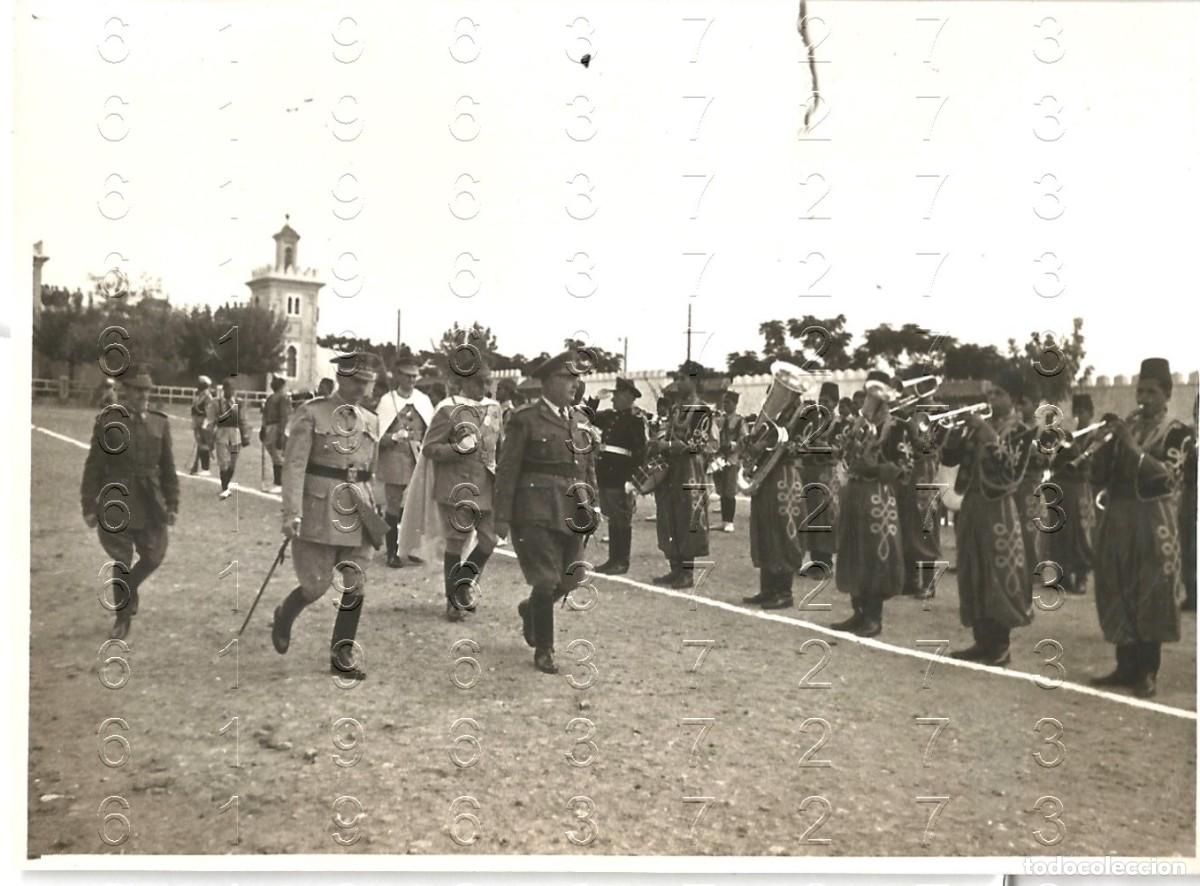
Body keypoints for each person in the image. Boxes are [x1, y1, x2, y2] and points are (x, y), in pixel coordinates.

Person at [270, 351, 387, 681]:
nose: (364, 389)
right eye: (359, 382)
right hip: (319, 510)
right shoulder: (312, 413)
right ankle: (285, 614)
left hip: (358, 510)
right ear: (342, 379)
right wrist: (291, 513)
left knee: (356, 584)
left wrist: (375, 509)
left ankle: (342, 653)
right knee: (316, 586)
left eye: (368, 382)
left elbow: (371, 471)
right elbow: (294, 467)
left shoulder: (372, 420)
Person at [1088, 358, 1193, 698]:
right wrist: (1101, 446)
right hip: (1119, 518)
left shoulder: (1179, 432)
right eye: (1140, 390)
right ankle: (1125, 665)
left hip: (1154, 520)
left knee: (1152, 591)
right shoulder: (1126, 429)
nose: (1143, 398)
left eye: (1151, 391)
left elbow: (1166, 476)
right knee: (1118, 586)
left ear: (1167, 394)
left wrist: (1130, 448)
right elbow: (1100, 475)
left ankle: (1147, 670)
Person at [494, 350, 600, 673]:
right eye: (568, 378)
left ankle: (530, 611)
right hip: (535, 508)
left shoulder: (580, 420)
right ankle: (545, 649)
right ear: (550, 381)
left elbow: (587, 465)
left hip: (572, 507)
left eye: (577, 378)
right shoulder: (525, 418)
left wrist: (593, 504)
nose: (575, 384)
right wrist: (501, 515)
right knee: (544, 579)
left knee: (571, 578)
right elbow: (508, 468)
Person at [940, 368, 1033, 666]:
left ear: (1015, 400)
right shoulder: (980, 426)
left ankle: (1000, 645)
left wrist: (988, 435)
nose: (992, 398)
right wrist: (954, 435)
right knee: (973, 570)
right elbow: (949, 459)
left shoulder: (1021, 432)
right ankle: (982, 641)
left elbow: (1011, 474)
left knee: (998, 573)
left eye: (999, 394)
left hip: (999, 510)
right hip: (971, 505)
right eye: (990, 392)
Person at [398, 358, 502, 621]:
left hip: (487, 485)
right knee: (456, 543)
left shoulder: (494, 408)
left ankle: (463, 584)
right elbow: (430, 448)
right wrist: (457, 449)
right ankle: (452, 600)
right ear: (465, 382)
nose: (485, 388)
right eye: (480, 382)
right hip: (457, 486)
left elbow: (499, 445)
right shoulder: (448, 409)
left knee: (490, 539)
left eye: (488, 382)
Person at [80, 369, 179, 640]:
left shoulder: (160, 423)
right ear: (125, 391)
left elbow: (168, 468)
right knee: (121, 560)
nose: (143, 396)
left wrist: (172, 504)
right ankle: (122, 619)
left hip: (150, 501)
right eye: (138, 391)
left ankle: (130, 587)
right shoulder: (108, 421)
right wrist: (88, 505)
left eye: (147, 391)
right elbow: (94, 466)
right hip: (117, 500)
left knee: (154, 556)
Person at [829, 371, 913, 637]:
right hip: (854, 492)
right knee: (853, 550)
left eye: (873, 395)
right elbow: (842, 453)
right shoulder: (856, 424)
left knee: (876, 554)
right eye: (867, 394)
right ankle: (859, 612)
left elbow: (905, 467)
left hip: (878, 495)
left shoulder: (897, 427)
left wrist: (875, 468)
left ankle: (874, 617)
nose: (869, 400)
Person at [649, 362, 720, 589]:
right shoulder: (677, 408)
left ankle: (687, 573)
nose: (678, 383)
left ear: (695, 381)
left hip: (690, 470)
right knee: (669, 516)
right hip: (672, 469)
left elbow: (695, 444)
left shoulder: (702, 410)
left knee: (687, 517)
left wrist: (665, 444)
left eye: (682, 379)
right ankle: (675, 568)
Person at [743, 392, 811, 610]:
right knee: (765, 529)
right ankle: (768, 589)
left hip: (784, 477)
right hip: (767, 476)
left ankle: (784, 592)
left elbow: (797, 447)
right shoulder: (774, 415)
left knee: (782, 531)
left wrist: (764, 445)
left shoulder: (804, 416)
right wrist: (753, 441)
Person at [375, 356, 434, 568]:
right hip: (394, 457)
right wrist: (392, 437)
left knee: (416, 504)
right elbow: (376, 436)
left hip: (417, 458)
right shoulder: (386, 401)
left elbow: (433, 430)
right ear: (398, 375)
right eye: (407, 376)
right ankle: (392, 551)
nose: (411, 380)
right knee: (393, 505)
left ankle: (411, 549)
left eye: (414, 376)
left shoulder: (423, 400)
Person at [592, 377, 648, 574]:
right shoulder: (610, 416)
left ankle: (621, 561)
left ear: (628, 396)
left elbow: (640, 452)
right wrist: (595, 399)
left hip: (621, 474)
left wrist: (633, 479)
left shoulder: (635, 420)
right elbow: (587, 415)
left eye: (617, 394)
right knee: (613, 518)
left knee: (622, 518)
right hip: (607, 472)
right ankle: (613, 559)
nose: (613, 398)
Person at [895, 374, 943, 598]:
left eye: (920, 386)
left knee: (925, 529)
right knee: (908, 526)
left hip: (926, 477)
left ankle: (928, 583)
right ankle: (911, 580)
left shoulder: (936, 414)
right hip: (908, 477)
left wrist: (913, 427)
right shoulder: (910, 414)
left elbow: (930, 447)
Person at [1044, 393, 1097, 595]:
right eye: (1077, 412)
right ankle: (1063, 576)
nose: (1080, 416)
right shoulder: (1072, 435)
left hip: (1081, 489)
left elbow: (1090, 464)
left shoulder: (1096, 436)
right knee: (1063, 531)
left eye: (1084, 412)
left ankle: (1082, 576)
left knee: (1080, 534)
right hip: (1065, 489)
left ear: (1091, 413)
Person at [799, 381, 842, 577]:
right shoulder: (813, 422)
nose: (822, 404)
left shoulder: (840, 424)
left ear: (835, 402)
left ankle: (825, 563)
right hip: (811, 473)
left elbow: (840, 451)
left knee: (826, 518)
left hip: (828, 475)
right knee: (811, 516)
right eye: (820, 400)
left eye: (827, 401)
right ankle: (815, 560)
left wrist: (820, 445)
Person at [209, 377, 252, 500]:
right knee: (223, 463)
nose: (230, 391)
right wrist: (209, 439)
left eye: (232, 389)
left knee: (232, 464)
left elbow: (243, 420)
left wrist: (245, 435)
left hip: (235, 436)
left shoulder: (239, 402)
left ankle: (226, 485)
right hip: (221, 435)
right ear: (223, 390)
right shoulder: (216, 403)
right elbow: (211, 422)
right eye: (227, 388)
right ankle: (224, 487)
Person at [714, 389, 748, 532]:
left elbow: (745, 439)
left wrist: (734, 446)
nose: (725, 405)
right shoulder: (719, 419)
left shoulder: (740, 420)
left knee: (729, 490)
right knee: (721, 489)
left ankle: (730, 521)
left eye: (728, 402)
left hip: (732, 458)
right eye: (724, 402)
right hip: (719, 457)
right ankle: (724, 520)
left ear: (735, 403)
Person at [260, 376, 291, 493]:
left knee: (277, 456)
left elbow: (283, 417)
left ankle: (279, 483)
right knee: (275, 455)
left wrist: (280, 433)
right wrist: (264, 429)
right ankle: (277, 481)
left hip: (274, 427)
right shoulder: (275, 398)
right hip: (272, 427)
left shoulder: (278, 398)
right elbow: (268, 415)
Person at [189, 375, 215, 474]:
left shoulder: (208, 397)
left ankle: (205, 467)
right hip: (196, 421)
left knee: (203, 445)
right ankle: (197, 466)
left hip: (203, 422)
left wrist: (205, 425)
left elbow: (209, 412)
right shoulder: (198, 395)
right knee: (199, 444)